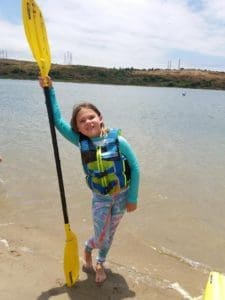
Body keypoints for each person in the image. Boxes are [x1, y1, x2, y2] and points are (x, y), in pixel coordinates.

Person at [39, 77, 140, 283]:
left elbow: (136, 169)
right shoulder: (80, 142)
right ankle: (87, 249)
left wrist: (132, 198)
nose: (88, 122)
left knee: (110, 234)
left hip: (121, 198)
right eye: (81, 121)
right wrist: (49, 90)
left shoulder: (119, 141)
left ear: (100, 117)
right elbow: (57, 121)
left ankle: (101, 261)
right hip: (100, 198)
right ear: (77, 127)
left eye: (91, 117)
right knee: (101, 236)